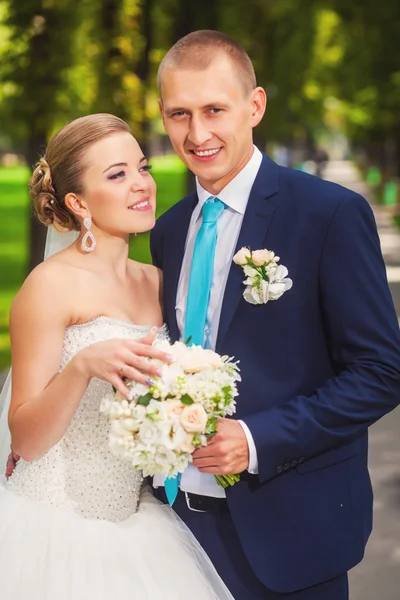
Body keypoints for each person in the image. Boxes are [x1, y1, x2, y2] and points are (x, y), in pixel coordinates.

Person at [150, 30, 400, 599]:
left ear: (255, 105)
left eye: (215, 109)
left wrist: (257, 439)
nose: (198, 133)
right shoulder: (166, 231)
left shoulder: (328, 215)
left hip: (290, 530)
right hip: (173, 527)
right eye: (179, 114)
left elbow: (382, 371)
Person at [0, 113, 233, 600]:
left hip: (139, 523)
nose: (141, 185)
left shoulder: (157, 282)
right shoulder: (49, 287)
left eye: (142, 167)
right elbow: (25, 437)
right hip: (56, 533)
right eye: (117, 175)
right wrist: (83, 367)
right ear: (77, 202)